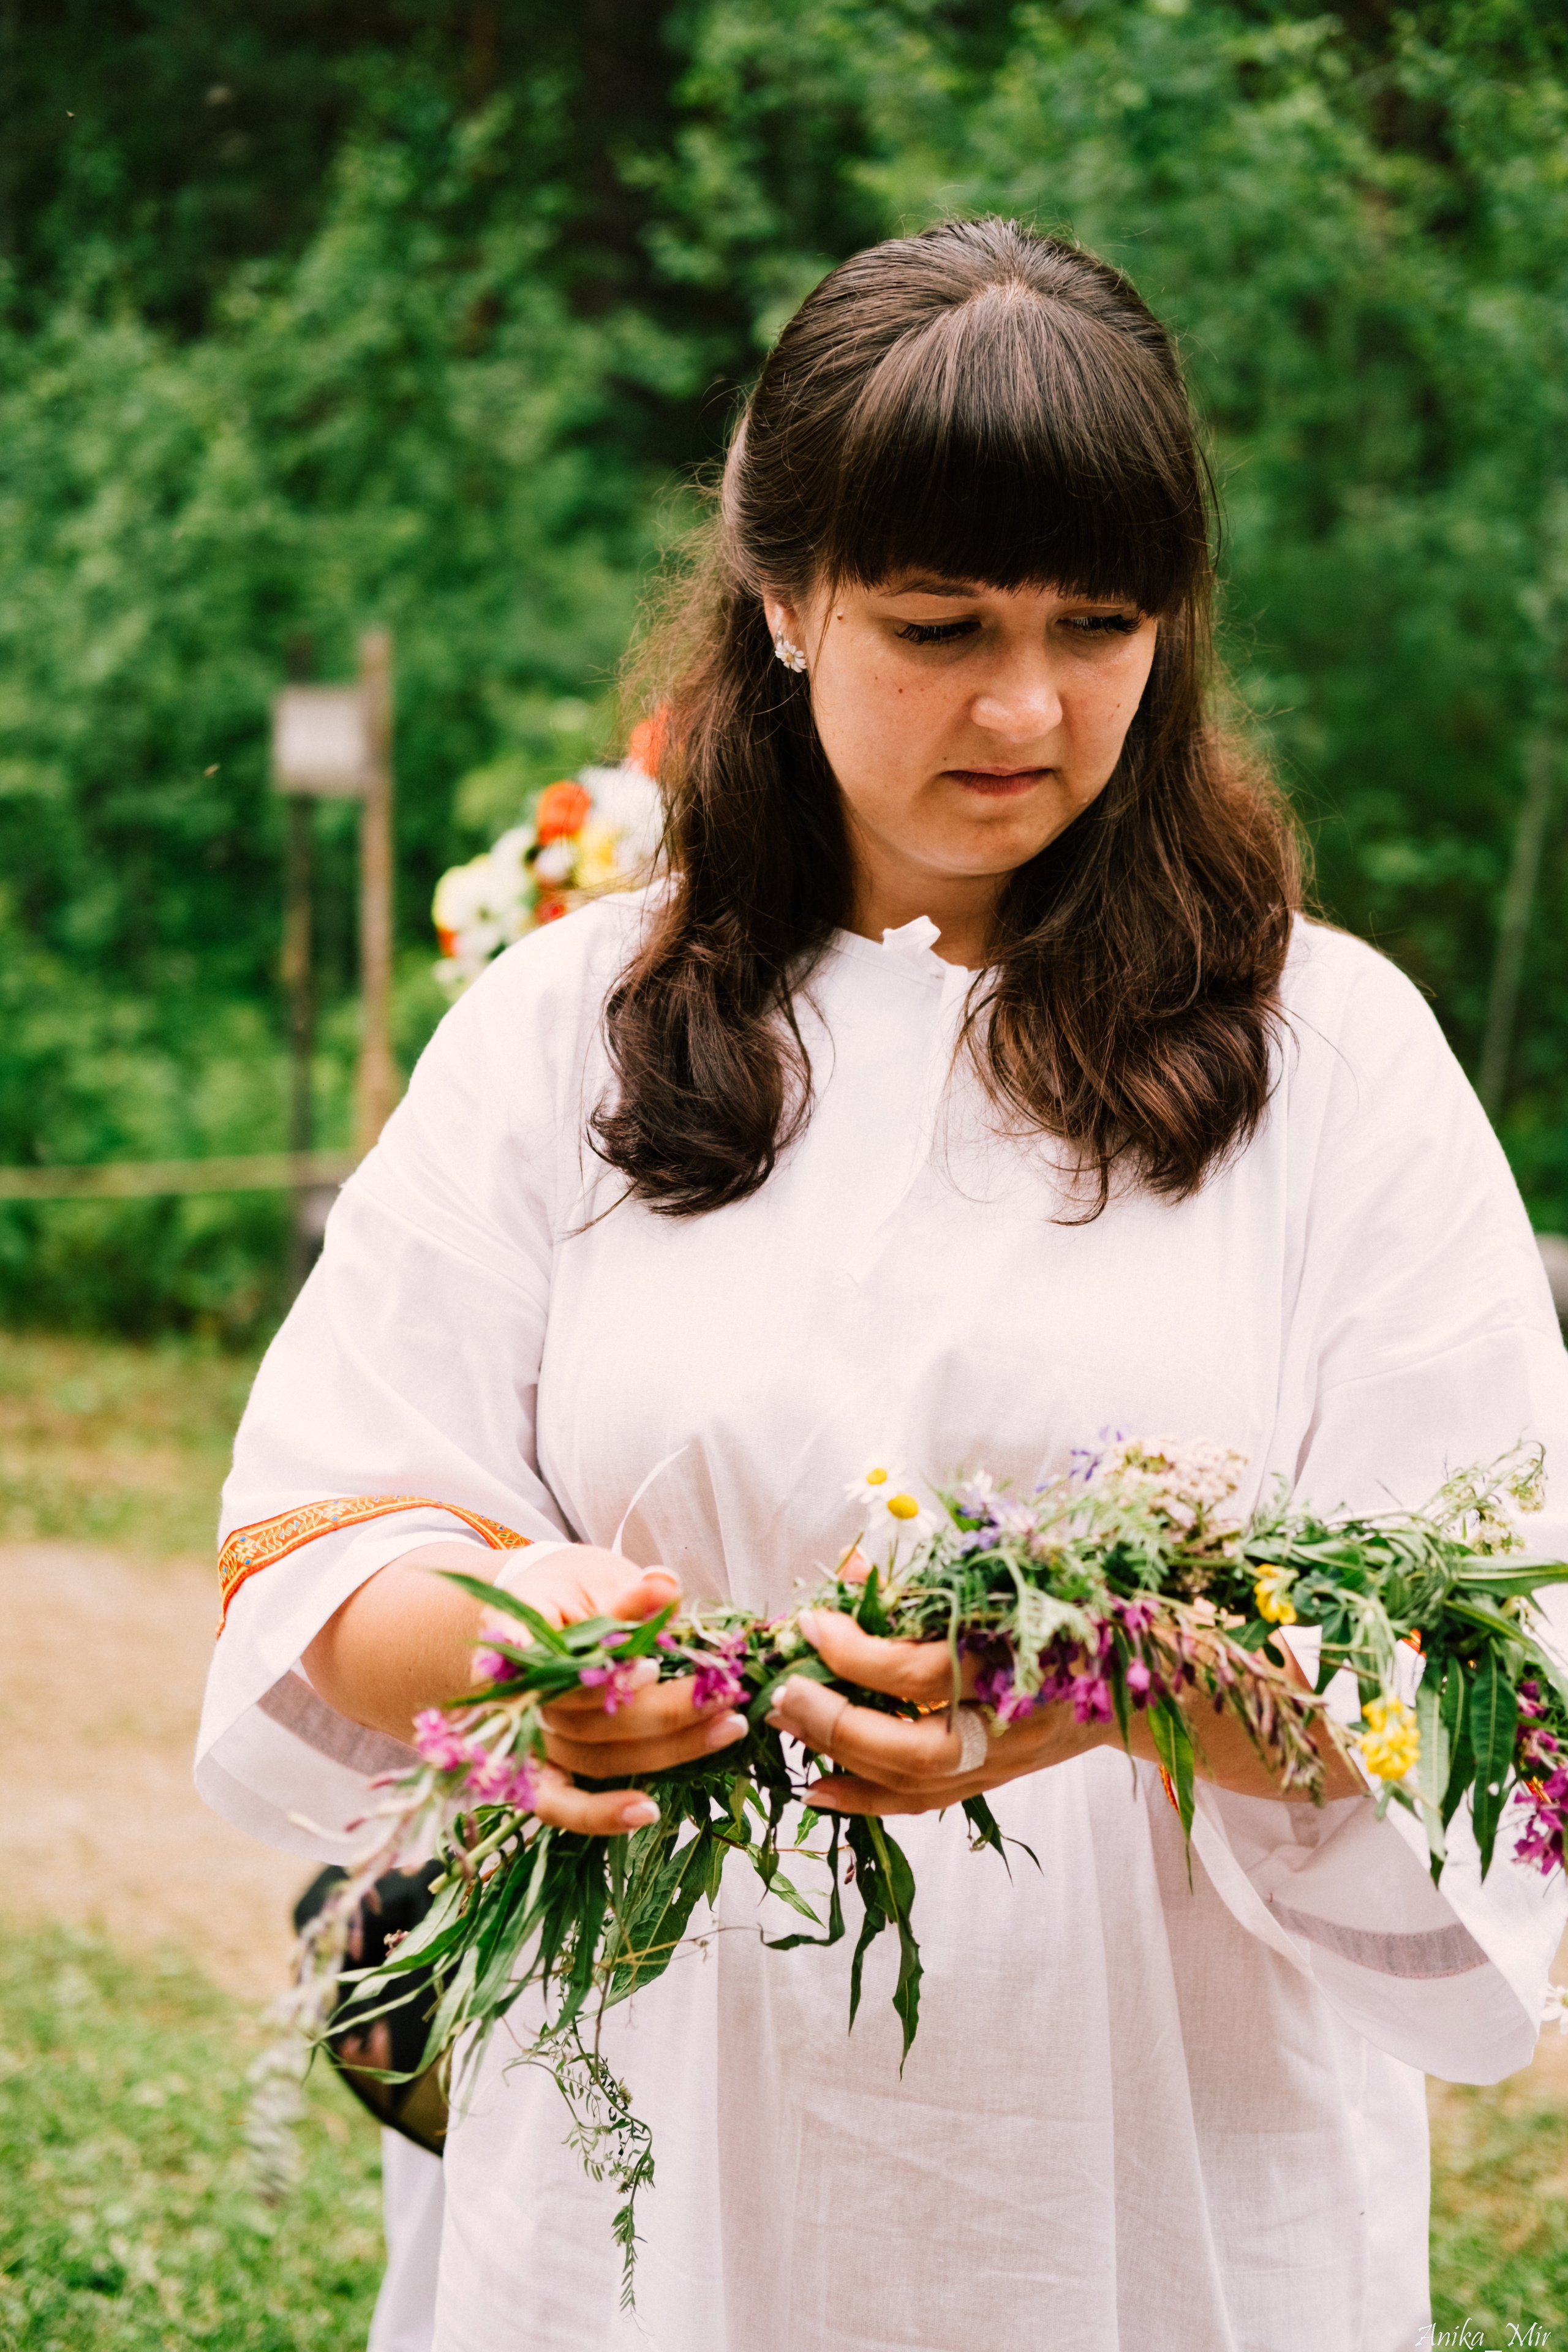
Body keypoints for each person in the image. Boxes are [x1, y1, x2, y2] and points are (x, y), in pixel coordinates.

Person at [197, 218, 1568, 2351]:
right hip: (659, 2167)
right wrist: (522, 1640)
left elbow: (1491, 1654)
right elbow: (324, 1537)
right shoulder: (570, 1028)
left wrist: (1114, 1688)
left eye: (1098, 625)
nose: (1027, 706)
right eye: (940, 626)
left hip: (1161, 2195)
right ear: (781, 600)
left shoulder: (1336, 1064)